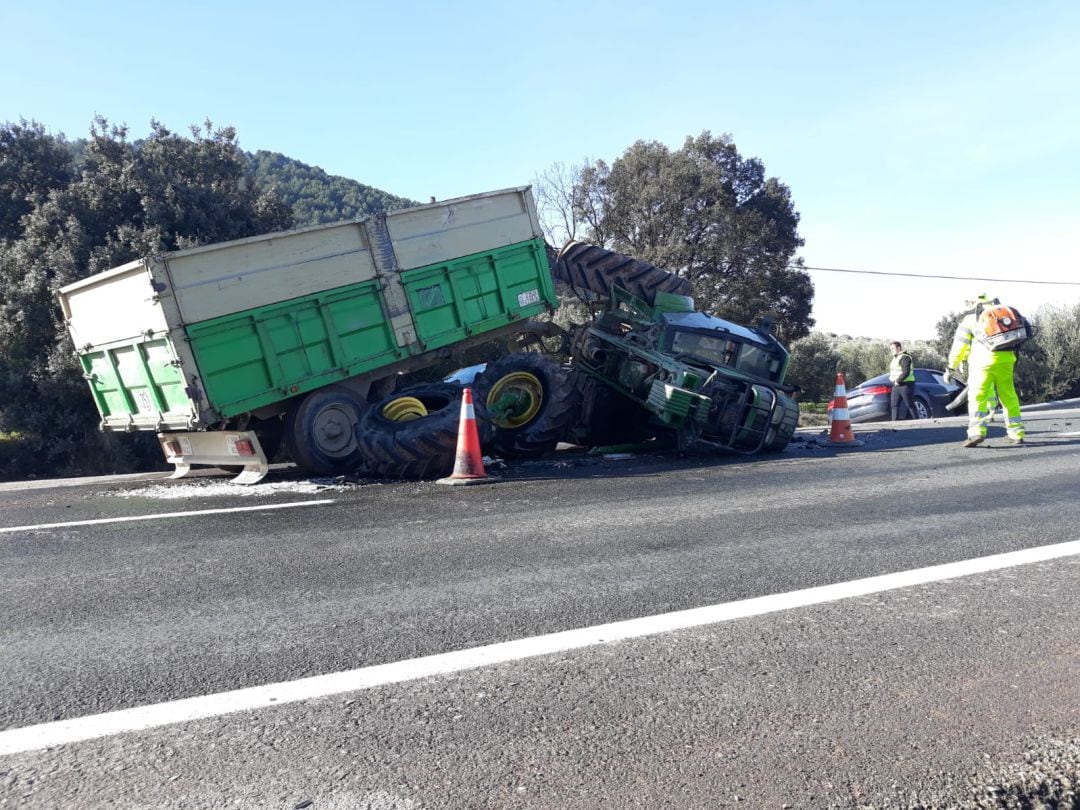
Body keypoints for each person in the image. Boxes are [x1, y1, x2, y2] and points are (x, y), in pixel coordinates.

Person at [944, 293, 1024, 447]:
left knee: (977, 397)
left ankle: (976, 433)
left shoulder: (971, 319)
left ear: (975, 302)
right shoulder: (1006, 314)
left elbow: (959, 346)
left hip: (982, 363)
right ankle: (1017, 433)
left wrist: (951, 367)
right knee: (1009, 396)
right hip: (1006, 360)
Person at [888, 341, 916, 420]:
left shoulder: (905, 357)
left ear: (899, 348)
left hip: (906, 384)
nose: (892, 350)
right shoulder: (894, 358)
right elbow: (893, 371)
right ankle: (894, 425)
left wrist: (898, 380)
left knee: (910, 405)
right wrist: (891, 380)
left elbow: (906, 372)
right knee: (894, 405)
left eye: (893, 348)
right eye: (891, 349)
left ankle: (918, 422)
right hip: (896, 385)